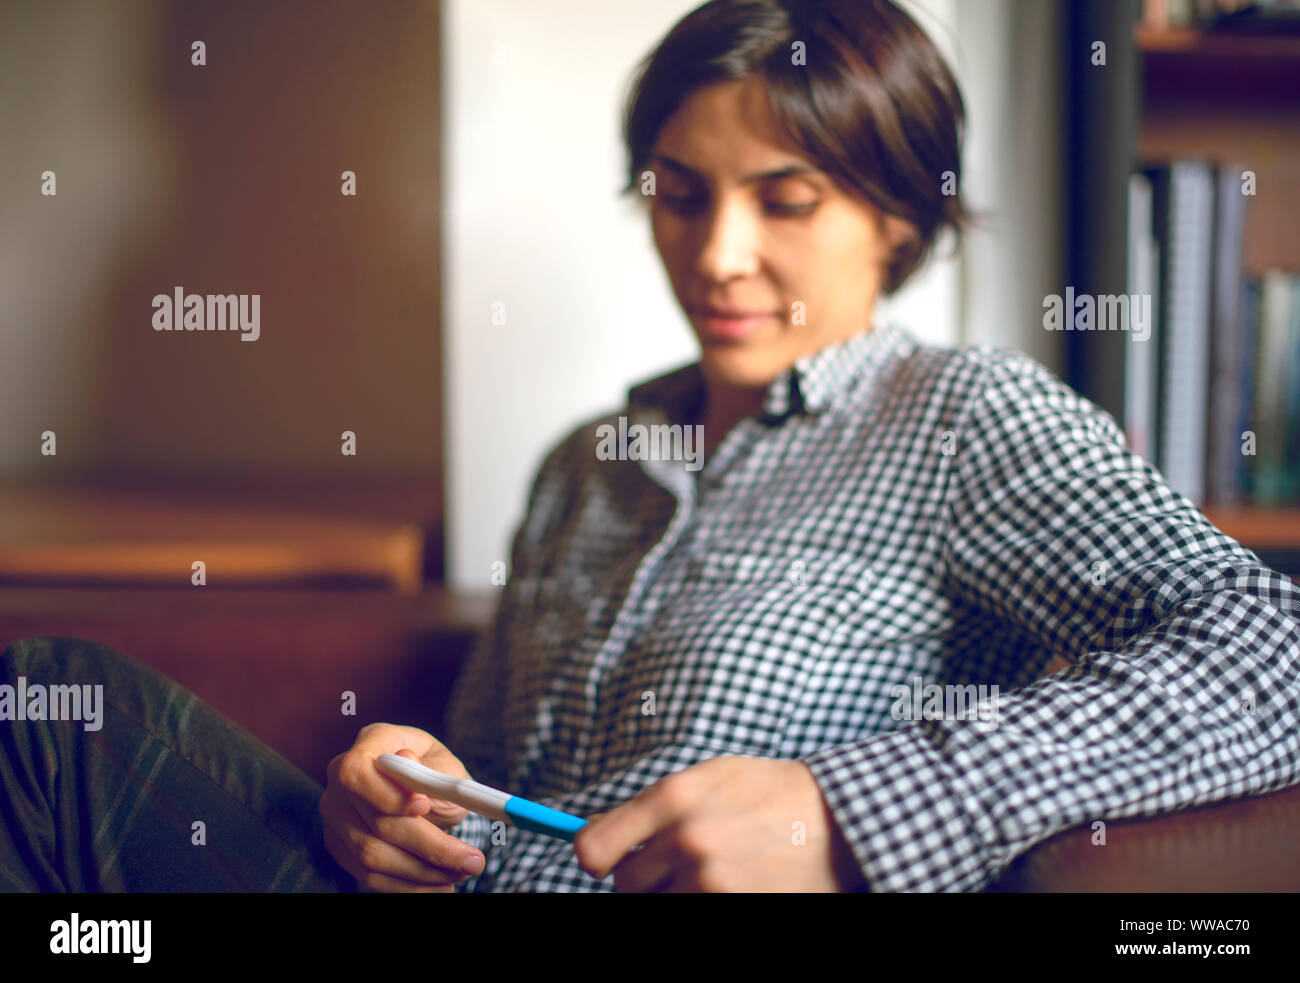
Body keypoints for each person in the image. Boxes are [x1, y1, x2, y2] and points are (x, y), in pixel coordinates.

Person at [2, 0, 1297, 894]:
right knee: (44, 703)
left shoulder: (967, 420)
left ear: (900, 217)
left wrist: (847, 819)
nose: (716, 254)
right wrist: (404, 811)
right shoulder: (590, 462)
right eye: (680, 193)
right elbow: (484, 780)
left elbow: (1273, 651)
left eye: (785, 199)